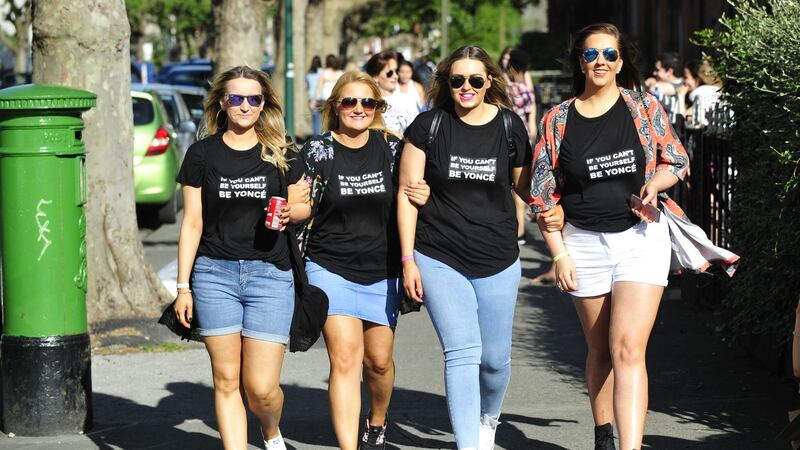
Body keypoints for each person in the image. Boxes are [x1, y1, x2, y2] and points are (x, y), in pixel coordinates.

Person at [530, 23, 689, 450]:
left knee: (628, 348)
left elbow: (676, 159)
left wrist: (656, 183)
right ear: (579, 62)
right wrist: (559, 254)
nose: (600, 62)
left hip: (641, 237)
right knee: (600, 348)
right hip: (583, 243)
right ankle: (604, 434)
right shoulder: (558, 119)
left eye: (609, 55)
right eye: (591, 54)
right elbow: (542, 192)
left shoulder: (643, 107)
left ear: (621, 61)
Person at [397, 45, 533, 450]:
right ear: (447, 83)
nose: (467, 87)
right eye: (458, 80)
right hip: (439, 255)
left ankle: (488, 418)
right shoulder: (428, 127)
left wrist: (555, 207)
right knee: (462, 351)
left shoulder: (509, 127)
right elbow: (407, 195)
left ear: (489, 81)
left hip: (498, 257)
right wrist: (408, 260)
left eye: (476, 80)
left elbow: (527, 189)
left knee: (493, 361)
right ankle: (469, 444)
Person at [173, 66, 310, 450]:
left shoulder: (282, 152)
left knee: (262, 388)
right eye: (236, 98)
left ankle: (270, 431)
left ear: (264, 103)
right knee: (227, 380)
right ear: (221, 103)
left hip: (270, 274)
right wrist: (183, 287)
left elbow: (304, 206)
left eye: (254, 98)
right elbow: (191, 224)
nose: (245, 105)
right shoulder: (202, 154)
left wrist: (291, 213)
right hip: (214, 275)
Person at [299, 71, 430, 450]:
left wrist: (424, 192)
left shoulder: (392, 147)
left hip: (382, 269)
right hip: (329, 267)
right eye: (349, 102)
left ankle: (377, 419)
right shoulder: (317, 151)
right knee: (344, 359)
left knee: (378, 363)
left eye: (367, 102)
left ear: (377, 108)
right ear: (335, 107)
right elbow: (301, 203)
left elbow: (413, 192)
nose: (358, 109)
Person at [502, 49, 538, 246]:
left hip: (506, 136)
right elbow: (531, 109)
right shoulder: (524, 88)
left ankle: (517, 229)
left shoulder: (505, 87)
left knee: (512, 186)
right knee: (521, 184)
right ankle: (521, 229)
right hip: (522, 136)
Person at [365, 51, 418, 134]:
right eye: (389, 73)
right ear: (375, 76)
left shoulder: (408, 100)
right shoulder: (366, 102)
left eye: (396, 71)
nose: (395, 76)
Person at [306, 55, 323, 135]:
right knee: (320, 119)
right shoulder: (322, 73)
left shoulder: (308, 74)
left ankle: (315, 136)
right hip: (321, 98)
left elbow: (308, 86)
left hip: (311, 98)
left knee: (315, 119)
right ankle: (319, 136)